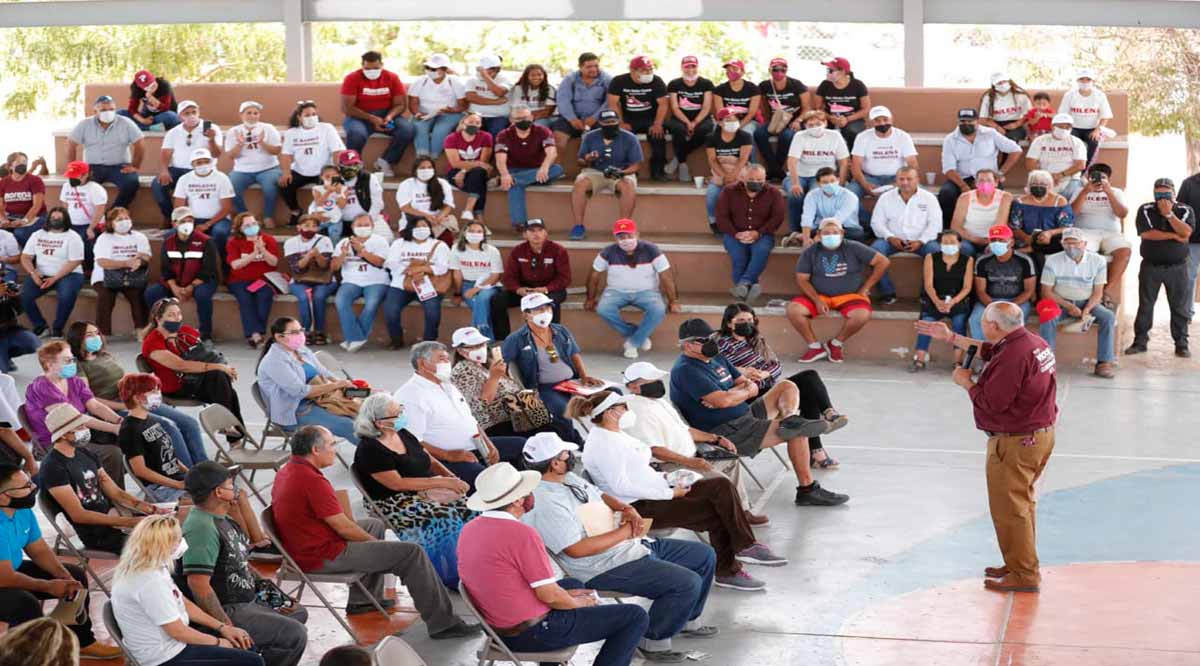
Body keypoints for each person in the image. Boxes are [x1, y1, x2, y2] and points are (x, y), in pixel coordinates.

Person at [522, 432, 720, 661]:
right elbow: (576, 549)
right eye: (566, 453)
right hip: (602, 565)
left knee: (703, 555)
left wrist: (627, 509)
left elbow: (600, 494)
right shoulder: (546, 502)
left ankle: (686, 618)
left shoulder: (565, 478)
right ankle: (654, 640)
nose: (571, 456)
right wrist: (624, 531)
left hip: (629, 544)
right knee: (686, 583)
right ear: (555, 462)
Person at [270, 425, 480, 636]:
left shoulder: (290, 469)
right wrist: (376, 544)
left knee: (375, 524)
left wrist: (372, 540)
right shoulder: (312, 481)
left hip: (305, 544)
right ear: (316, 450)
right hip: (320, 554)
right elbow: (343, 527)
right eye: (331, 444)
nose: (335, 448)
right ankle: (443, 623)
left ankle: (363, 599)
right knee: (410, 553)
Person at [573, 391, 788, 591]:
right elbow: (620, 487)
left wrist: (667, 479)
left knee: (720, 486)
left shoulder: (616, 434)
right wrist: (669, 493)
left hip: (655, 491)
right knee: (716, 513)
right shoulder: (603, 443)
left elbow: (638, 472)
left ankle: (745, 548)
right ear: (611, 413)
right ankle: (729, 568)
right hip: (638, 508)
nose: (628, 412)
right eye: (624, 408)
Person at [915, 301, 1057, 593]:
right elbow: (987, 349)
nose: (982, 326)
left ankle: (1025, 574)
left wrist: (966, 382)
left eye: (984, 323)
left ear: (993, 325)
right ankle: (1019, 562)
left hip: (1016, 441)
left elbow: (993, 403)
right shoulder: (1030, 342)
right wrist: (951, 337)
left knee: (1011, 509)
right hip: (1037, 435)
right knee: (1021, 505)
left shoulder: (1013, 356)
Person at [458, 462, 648, 666]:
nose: (532, 495)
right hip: (531, 633)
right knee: (634, 616)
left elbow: (521, 583)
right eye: (527, 491)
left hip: (497, 628)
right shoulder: (521, 534)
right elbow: (548, 595)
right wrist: (578, 603)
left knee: (572, 584)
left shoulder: (469, 529)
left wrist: (566, 595)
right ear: (517, 501)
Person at [670, 318, 848, 508]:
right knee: (800, 431)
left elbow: (746, 385)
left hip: (745, 414)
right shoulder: (686, 370)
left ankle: (789, 418)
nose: (711, 342)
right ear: (688, 345)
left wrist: (736, 393)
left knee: (787, 386)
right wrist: (737, 393)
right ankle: (807, 491)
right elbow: (724, 400)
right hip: (728, 431)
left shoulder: (716, 358)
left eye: (711, 337)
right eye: (704, 340)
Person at [182, 462, 309, 666]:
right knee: (294, 635)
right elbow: (198, 584)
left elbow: (241, 563)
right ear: (219, 492)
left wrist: (273, 596)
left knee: (297, 612)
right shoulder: (202, 529)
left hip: (247, 598)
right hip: (230, 607)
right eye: (231, 484)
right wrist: (225, 625)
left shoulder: (222, 518)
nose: (236, 489)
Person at [0, 462, 124, 660]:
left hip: (8, 570)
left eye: (30, 483)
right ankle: (31, 659)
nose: (33, 488)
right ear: (3, 496)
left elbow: (39, 549)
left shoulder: (22, 510)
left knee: (75, 574)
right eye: (25, 487)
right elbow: (5, 578)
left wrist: (62, 575)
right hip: (4, 577)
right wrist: (49, 586)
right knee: (24, 604)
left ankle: (82, 643)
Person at [350, 393, 474, 588]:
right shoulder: (370, 449)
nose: (401, 416)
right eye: (396, 414)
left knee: (470, 508)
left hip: (424, 488)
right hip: (394, 500)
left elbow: (429, 459)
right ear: (380, 423)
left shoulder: (403, 433)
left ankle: (475, 565)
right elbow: (397, 484)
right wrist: (440, 484)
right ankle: (448, 575)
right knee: (443, 516)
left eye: (400, 411)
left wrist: (451, 478)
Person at [111, 515, 265, 666]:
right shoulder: (149, 582)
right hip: (164, 656)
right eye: (177, 540)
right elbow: (177, 632)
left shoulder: (154, 566)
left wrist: (222, 627)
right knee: (252, 660)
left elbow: (181, 601)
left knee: (245, 644)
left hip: (174, 643)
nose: (182, 542)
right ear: (163, 545)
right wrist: (218, 642)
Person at [713, 306, 846, 467]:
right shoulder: (723, 343)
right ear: (729, 323)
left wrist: (764, 374)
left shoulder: (756, 340)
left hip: (769, 387)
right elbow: (718, 370)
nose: (747, 324)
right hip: (749, 395)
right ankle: (817, 447)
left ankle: (827, 419)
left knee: (808, 385)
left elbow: (776, 366)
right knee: (807, 382)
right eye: (741, 321)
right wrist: (743, 372)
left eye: (749, 320)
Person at [67, 322, 207, 467]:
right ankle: (190, 476)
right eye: (89, 335)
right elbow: (89, 399)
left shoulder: (103, 356)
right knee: (168, 427)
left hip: (134, 400)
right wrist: (122, 405)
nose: (96, 338)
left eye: (96, 333)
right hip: (113, 409)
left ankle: (204, 468)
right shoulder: (78, 366)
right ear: (78, 339)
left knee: (189, 423)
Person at [393, 341, 526, 490]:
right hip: (445, 459)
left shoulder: (447, 384)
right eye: (442, 359)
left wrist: (488, 444)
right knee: (490, 483)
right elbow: (411, 441)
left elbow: (470, 420)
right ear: (423, 364)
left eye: (447, 359)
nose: (447, 363)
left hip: (475, 446)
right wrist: (449, 455)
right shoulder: (410, 395)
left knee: (525, 447)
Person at [39, 403, 157, 553]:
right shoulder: (53, 467)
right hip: (97, 534)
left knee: (172, 530)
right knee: (160, 543)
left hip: (114, 521)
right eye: (80, 427)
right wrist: (130, 522)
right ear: (63, 434)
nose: (86, 430)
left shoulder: (85, 454)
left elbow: (116, 492)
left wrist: (150, 508)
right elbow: (79, 515)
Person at [449, 326, 582, 444]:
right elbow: (483, 403)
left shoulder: (487, 363)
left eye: (481, 345)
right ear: (461, 351)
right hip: (496, 423)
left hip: (518, 414)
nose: (479, 349)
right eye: (473, 347)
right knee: (554, 424)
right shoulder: (462, 371)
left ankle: (572, 446)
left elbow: (512, 386)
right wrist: (494, 377)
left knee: (556, 424)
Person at [788, 219, 889, 362]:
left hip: (849, 295)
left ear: (842, 233)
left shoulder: (854, 247)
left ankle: (835, 344)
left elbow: (883, 262)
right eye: (827, 233)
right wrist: (816, 300)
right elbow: (802, 279)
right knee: (794, 310)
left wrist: (866, 288)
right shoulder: (810, 251)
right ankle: (815, 347)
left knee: (862, 315)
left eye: (835, 232)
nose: (831, 235)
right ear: (819, 234)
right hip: (819, 295)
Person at [24, 342, 123, 478]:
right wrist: (113, 428)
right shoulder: (41, 387)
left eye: (72, 359)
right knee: (112, 453)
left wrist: (119, 421)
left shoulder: (74, 381)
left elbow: (95, 405)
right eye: (67, 360)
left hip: (79, 432)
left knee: (129, 439)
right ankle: (111, 496)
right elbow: (73, 419)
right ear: (49, 364)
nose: (72, 363)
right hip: (58, 440)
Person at [142, 297, 246, 426]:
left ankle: (230, 429)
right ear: (158, 319)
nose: (177, 318)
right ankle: (233, 434)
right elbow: (181, 366)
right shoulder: (153, 343)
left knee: (223, 384)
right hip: (178, 387)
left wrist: (224, 367)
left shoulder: (185, 332)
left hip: (197, 380)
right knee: (222, 385)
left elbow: (207, 355)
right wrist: (219, 367)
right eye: (171, 315)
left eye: (179, 314)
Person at [585, 218, 679, 359]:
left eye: (629, 235)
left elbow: (666, 276)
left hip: (647, 292)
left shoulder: (652, 250)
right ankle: (637, 336)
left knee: (658, 309)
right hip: (616, 292)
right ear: (615, 237)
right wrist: (590, 298)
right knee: (603, 309)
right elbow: (594, 275)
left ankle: (633, 343)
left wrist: (673, 301)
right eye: (621, 237)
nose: (626, 240)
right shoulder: (607, 252)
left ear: (637, 234)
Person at [501, 292, 605, 419]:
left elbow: (574, 354)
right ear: (526, 314)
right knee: (562, 411)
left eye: (548, 307)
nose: (545, 312)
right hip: (547, 388)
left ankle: (607, 433)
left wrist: (584, 376)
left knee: (612, 395)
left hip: (572, 382)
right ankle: (573, 438)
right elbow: (502, 364)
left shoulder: (561, 330)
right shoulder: (516, 339)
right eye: (539, 309)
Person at [256, 317, 357, 442]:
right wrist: (336, 385)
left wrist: (342, 383)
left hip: (318, 399)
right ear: (279, 337)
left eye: (301, 330)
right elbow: (301, 391)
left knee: (364, 415)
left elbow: (322, 370)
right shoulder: (274, 361)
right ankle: (376, 458)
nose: (300, 335)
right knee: (349, 425)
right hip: (294, 410)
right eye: (294, 332)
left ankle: (381, 454)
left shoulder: (301, 350)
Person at [1126, 178, 1196, 358]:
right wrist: (1174, 235)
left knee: (1179, 308)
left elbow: (1187, 232)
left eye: (1166, 194)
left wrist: (1169, 215)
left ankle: (1181, 344)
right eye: (1159, 194)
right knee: (1146, 305)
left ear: (1174, 193)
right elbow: (1147, 234)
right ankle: (1140, 342)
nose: (1162, 198)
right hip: (1151, 266)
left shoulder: (1185, 210)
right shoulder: (1146, 209)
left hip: (1178, 267)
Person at [1037, 228, 1117, 377]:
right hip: (1060, 302)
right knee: (1047, 318)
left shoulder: (1097, 261)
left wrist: (1087, 309)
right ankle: (1047, 364)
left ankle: (1104, 362)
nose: (1071, 247)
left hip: (1088, 302)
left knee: (1108, 317)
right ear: (1062, 244)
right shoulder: (1053, 260)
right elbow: (1046, 292)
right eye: (1067, 243)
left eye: (1075, 243)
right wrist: (1069, 306)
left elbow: (1098, 292)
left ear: (1084, 244)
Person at [145, 207, 221, 341]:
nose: (187, 224)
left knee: (203, 295)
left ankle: (205, 333)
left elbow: (208, 270)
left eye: (190, 220)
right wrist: (174, 287)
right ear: (174, 224)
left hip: (201, 281)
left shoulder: (205, 241)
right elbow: (166, 269)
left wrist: (191, 287)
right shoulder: (168, 242)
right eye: (183, 221)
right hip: (177, 281)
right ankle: (161, 329)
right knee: (152, 293)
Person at [938, 108, 1022, 228]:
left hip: (987, 179)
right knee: (946, 193)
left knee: (1002, 198)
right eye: (963, 121)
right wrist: (963, 186)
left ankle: (1000, 230)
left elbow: (1015, 150)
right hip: (962, 179)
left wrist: (1001, 172)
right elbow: (948, 168)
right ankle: (949, 229)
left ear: (977, 121)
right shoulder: (950, 139)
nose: (966, 124)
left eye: (970, 121)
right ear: (958, 122)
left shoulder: (990, 133)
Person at [870, 165, 942, 303]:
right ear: (896, 180)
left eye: (909, 179)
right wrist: (890, 237)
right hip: (891, 240)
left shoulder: (929, 198)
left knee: (936, 252)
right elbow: (876, 222)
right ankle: (887, 292)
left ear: (917, 180)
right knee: (875, 252)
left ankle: (926, 294)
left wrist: (921, 241)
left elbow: (935, 224)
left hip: (921, 241)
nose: (905, 182)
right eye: (901, 179)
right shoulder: (886, 197)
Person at [715, 164, 785, 303]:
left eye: (760, 179)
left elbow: (777, 217)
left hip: (762, 234)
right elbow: (721, 216)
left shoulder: (774, 193)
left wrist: (758, 233)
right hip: (734, 234)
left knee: (761, 250)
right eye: (752, 179)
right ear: (742, 178)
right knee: (738, 257)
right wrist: (736, 234)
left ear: (765, 178)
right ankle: (748, 290)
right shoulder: (729, 191)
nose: (756, 182)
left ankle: (743, 285)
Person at [490, 218, 571, 339]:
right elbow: (509, 277)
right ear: (525, 234)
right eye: (531, 231)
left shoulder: (558, 250)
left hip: (550, 289)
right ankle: (503, 340)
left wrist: (545, 289)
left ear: (545, 233)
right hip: (525, 290)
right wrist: (519, 290)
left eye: (540, 230)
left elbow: (564, 278)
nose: (536, 234)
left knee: (550, 302)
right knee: (498, 300)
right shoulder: (518, 251)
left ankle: (552, 340)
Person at [571, 109, 643, 240]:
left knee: (628, 185)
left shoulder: (629, 138)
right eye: (607, 122)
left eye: (613, 122)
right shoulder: (590, 136)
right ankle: (578, 226)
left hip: (620, 171)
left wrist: (622, 172)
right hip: (595, 171)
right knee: (579, 183)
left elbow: (636, 165)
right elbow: (580, 161)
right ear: (600, 123)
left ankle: (623, 228)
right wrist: (587, 159)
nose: (610, 124)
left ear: (618, 122)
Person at [117, 372, 190, 501]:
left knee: (228, 490)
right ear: (137, 397)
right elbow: (140, 470)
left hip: (176, 479)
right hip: (161, 487)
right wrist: (178, 485)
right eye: (152, 391)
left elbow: (169, 455)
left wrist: (189, 473)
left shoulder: (149, 419)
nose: (157, 395)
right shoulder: (130, 429)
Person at [340, 50, 414, 176]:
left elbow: (401, 104)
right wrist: (371, 118)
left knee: (407, 130)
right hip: (359, 116)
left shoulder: (392, 77)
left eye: (375, 68)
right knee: (356, 134)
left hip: (386, 114)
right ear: (362, 66)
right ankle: (354, 166)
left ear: (381, 65)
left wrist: (389, 117)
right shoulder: (352, 78)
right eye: (367, 68)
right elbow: (347, 108)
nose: (371, 71)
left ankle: (385, 161)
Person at [66, 95, 145, 209]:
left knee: (131, 182)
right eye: (103, 110)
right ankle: (92, 215)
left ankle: (115, 212)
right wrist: (73, 169)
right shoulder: (85, 124)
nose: (108, 112)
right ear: (95, 111)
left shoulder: (126, 123)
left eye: (111, 109)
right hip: (92, 167)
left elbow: (140, 143)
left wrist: (135, 166)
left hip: (119, 167)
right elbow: (70, 143)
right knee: (82, 184)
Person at [911, 230, 974, 372]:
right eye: (945, 242)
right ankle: (919, 358)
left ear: (960, 244)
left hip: (957, 300)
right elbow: (928, 284)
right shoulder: (931, 258)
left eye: (952, 242)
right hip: (934, 298)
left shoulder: (968, 260)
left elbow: (967, 287)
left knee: (959, 322)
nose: (949, 245)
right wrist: (937, 301)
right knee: (927, 321)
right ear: (940, 244)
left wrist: (952, 302)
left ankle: (958, 362)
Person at [495, 103, 565, 228]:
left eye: (526, 118)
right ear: (511, 120)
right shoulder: (504, 135)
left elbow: (552, 153)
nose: (523, 121)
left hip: (539, 172)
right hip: (515, 169)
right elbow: (500, 158)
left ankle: (515, 180)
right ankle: (520, 224)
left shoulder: (542, 131)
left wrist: (544, 168)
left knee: (557, 169)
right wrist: (505, 174)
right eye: (518, 119)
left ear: (532, 117)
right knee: (515, 186)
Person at [847, 106, 919, 227]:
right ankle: (869, 224)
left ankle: (905, 226)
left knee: (921, 194)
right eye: (877, 120)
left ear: (891, 119)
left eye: (885, 119)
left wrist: (899, 183)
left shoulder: (902, 136)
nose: (882, 123)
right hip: (869, 177)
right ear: (871, 122)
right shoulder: (863, 137)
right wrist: (865, 185)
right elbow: (855, 165)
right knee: (848, 195)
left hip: (897, 177)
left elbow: (912, 163)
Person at [1070, 163, 1132, 303]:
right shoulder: (1080, 190)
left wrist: (1108, 192)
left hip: (1110, 233)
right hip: (1086, 232)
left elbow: (1122, 214)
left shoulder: (1116, 192)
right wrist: (1085, 192)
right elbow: (1071, 214)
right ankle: (1085, 291)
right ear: (1088, 178)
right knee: (1082, 252)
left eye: (1102, 178)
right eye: (1094, 177)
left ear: (1109, 180)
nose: (1098, 180)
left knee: (1124, 252)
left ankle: (1104, 291)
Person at [384, 217, 449, 347]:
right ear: (410, 228)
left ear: (430, 228)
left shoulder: (439, 245)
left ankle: (429, 343)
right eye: (417, 226)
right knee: (390, 310)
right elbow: (391, 263)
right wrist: (410, 271)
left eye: (424, 226)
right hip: (401, 284)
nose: (421, 229)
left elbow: (443, 267)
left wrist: (420, 269)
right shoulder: (399, 243)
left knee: (432, 311)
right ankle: (396, 339)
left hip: (429, 284)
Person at [155, 101, 224, 225]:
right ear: (180, 116)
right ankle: (170, 217)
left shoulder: (212, 129)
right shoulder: (173, 132)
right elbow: (166, 152)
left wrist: (211, 140)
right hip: (178, 169)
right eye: (186, 113)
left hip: (203, 169)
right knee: (158, 185)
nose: (191, 116)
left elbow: (216, 154)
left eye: (194, 112)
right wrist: (164, 170)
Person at [19, 208, 84, 337]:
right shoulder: (38, 234)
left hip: (69, 274)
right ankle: (40, 326)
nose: (55, 221)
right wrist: (33, 273)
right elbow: (25, 257)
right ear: (48, 219)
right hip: (42, 273)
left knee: (66, 296)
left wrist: (54, 278)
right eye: (53, 218)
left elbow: (75, 261)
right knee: (23, 296)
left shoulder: (73, 236)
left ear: (66, 220)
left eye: (59, 218)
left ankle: (57, 328)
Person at [280, 101, 346, 227]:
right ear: (299, 117)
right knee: (284, 185)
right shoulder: (291, 133)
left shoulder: (326, 128)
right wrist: (286, 172)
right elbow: (285, 155)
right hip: (301, 170)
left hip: (323, 171)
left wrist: (337, 170)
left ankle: (329, 218)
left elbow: (337, 150)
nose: (311, 117)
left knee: (330, 189)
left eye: (314, 114)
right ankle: (295, 211)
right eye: (307, 115)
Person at [332, 214, 390, 352]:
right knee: (340, 301)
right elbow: (334, 267)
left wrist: (362, 251)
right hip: (351, 281)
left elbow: (380, 262)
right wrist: (342, 255)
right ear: (352, 227)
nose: (363, 228)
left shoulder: (380, 241)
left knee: (371, 304)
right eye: (359, 225)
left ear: (372, 226)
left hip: (377, 281)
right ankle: (357, 337)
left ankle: (353, 338)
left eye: (366, 225)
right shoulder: (344, 242)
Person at [607, 55, 669, 182]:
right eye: (644, 70)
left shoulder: (657, 81)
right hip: (627, 119)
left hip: (651, 119)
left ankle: (657, 171)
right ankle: (627, 171)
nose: (648, 73)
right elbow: (613, 103)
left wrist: (657, 124)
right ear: (632, 70)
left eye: (650, 69)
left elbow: (663, 104)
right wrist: (621, 123)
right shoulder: (619, 81)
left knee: (658, 137)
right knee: (622, 138)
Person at [90, 206, 151, 334]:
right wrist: (125, 263)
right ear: (111, 222)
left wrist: (139, 260)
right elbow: (102, 262)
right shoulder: (104, 238)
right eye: (119, 219)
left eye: (126, 218)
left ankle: (141, 330)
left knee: (138, 294)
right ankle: (103, 334)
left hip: (132, 276)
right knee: (105, 296)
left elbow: (146, 256)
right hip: (105, 277)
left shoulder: (139, 237)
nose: (124, 221)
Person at [968, 224, 1036, 339]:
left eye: (1001, 240)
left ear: (1011, 242)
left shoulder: (1025, 261)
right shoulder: (982, 261)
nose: (997, 243)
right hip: (989, 301)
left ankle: (1010, 353)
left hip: (1017, 301)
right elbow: (980, 291)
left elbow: (1029, 290)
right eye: (993, 240)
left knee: (1014, 323)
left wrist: (1009, 306)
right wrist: (994, 307)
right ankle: (985, 352)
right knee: (975, 319)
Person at [225, 101, 284, 226]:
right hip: (242, 170)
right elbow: (230, 156)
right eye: (249, 113)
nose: (253, 116)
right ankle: (247, 218)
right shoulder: (233, 131)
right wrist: (239, 144)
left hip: (269, 168)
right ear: (241, 115)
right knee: (231, 187)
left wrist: (262, 142)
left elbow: (277, 151)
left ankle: (268, 216)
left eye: (256, 113)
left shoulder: (268, 128)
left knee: (270, 186)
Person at [226, 213, 279, 347]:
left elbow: (274, 262)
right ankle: (255, 334)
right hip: (239, 280)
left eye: (254, 224)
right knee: (245, 298)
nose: (252, 227)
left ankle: (257, 333)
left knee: (265, 295)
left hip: (264, 280)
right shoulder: (234, 243)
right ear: (240, 228)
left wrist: (262, 250)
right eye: (247, 225)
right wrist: (254, 254)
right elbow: (235, 265)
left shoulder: (268, 239)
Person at [172, 148, 235, 261]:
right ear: (192, 164)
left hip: (219, 220)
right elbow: (179, 207)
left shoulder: (222, 178)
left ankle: (220, 265)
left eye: (206, 161)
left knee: (219, 233)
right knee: (171, 235)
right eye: (199, 162)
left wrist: (207, 224)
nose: (203, 165)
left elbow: (227, 208)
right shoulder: (184, 179)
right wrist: (188, 222)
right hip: (193, 219)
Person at [754, 57, 810, 182]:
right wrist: (767, 121)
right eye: (775, 69)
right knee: (759, 133)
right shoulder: (765, 85)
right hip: (776, 120)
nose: (779, 72)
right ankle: (777, 170)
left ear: (786, 70)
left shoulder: (796, 84)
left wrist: (798, 121)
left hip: (794, 120)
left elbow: (807, 107)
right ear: (770, 70)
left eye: (782, 69)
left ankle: (774, 170)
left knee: (787, 137)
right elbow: (763, 105)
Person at [1011, 170, 1074, 277]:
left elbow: (1066, 227)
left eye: (1043, 184)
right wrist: (1027, 238)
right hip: (1027, 238)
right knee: (1038, 255)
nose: (1038, 186)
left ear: (1050, 186)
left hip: (1052, 239)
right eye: (1034, 184)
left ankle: (1033, 249)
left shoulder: (1060, 201)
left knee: (1064, 240)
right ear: (1029, 186)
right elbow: (1015, 227)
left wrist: (1049, 233)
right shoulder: (1020, 202)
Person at [283, 215, 335, 343]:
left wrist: (317, 256)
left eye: (314, 226)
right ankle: (305, 331)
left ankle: (319, 331)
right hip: (300, 280)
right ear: (298, 227)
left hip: (324, 280)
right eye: (306, 226)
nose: (310, 229)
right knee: (304, 298)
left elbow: (325, 266)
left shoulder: (325, 240)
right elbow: (297, 268)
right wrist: (307, 257)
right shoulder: (291, 243)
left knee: (319, 297)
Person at [553, 52, 614, 159]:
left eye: (596, 66)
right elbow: (563, 100)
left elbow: (609, 102)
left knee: (604, 141)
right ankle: (556, 170)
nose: (594, 69)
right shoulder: (570, 79)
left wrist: (594, 118)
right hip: (571, 118)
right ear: (580, 67)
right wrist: (572, 119)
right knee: (558, 141)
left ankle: (595, 170)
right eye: (589, 67)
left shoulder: (607, 79)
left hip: (597, 118)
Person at [786, 111, 850, 210]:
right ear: (805, 126)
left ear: (825, 123)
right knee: (794, 195)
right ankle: (795, 225)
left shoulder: (835, 136)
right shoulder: (799, 136)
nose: (815, 127)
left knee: (816, 195)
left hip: (824, 176)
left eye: (818, 124)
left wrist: (841, 184)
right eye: (810, 125)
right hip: (800, 174)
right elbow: (792, 162)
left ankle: (814, 225)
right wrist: (795, 183)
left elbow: (844, 162)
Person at [704, 108, 754, 233]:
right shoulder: (711, 138)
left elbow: (743, 159)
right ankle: (714, 222)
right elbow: (713, 160)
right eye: (728, 119)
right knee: (712, 194)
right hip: (720, 172)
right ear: (720, 122)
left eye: (735, 119)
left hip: (739, 171)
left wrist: (733, 175)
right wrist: (724, 176)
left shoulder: (745, 136)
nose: (733, 121)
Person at [407, 53, 467, 159]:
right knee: (419, 127)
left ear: (444, 69)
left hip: (450, 113)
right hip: (424, 113)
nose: (429, 71)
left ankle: (434, 157)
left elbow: (463, 105)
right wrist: (417, 113)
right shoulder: (420, 81)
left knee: (441, 129)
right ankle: (422, 157)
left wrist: (451, 110)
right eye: (427, 68)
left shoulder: (454, 82)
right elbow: (412, 102)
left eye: (433, 69)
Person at [664, 56, 715, 177]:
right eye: (687, 66)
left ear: (697, 67)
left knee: (705, 130)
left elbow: (706, 107)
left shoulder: (706, 83)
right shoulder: (674, 83)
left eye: (693, 66)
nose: (690, 69)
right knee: (679, 130)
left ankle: (678, 158)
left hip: (702, 117)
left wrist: (695, 122)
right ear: (682, 67)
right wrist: (688, 122)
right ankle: (683, 164)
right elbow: (675, 107)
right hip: (680, 117)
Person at [450, 221, 503, 337]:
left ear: (484, 235)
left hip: (488, 284)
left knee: (482, 299)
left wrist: (476, 289)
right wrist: (458, 293)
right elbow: (457, 274)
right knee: (478, 303)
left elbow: (495, 275)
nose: (475, 234)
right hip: (467, 284)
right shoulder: (456, 248)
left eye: (479, 231)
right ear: (464, 233)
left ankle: (477, 336)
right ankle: (488, 341)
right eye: (471, 231)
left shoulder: (492, 250)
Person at [787, 166, 861, 246]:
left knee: (856, 235)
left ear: (838, 180)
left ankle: (800, 237)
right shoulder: (812, 195)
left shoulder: (850, 196)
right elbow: (807, 217)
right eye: (825, 182)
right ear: (818, 183)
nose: (829, 184)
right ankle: (808, 239)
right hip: (820, 227)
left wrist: (820, 236)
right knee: (810, 232)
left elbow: (838, 219)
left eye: (832, 181)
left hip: (846, 228)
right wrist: (806, 239)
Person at [328, 150, 391, 242]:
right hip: (341, 221)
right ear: (339, 165)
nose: (352, 168)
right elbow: (329, 203)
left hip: (368, 218)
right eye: (348, 165)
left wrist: (369, 219)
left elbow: (377, 203)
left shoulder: (369, 177)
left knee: (386, 240)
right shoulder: (333, 179)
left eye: (355, 164)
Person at [950, 168, 1013, 257]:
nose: (985, 183)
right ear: (976, 183)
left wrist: (991, 242)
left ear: (996, 183)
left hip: (995, 238)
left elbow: (1001, 224)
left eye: (989, 180)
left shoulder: (1005, 197)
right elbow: (955, 227)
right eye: (981, 181)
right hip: (968, 239)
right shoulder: (965, 197)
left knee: (998, 249)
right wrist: (977, 240)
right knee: (963, 249)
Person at [443, 112, 493, 223]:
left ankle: (469, 210)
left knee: (478, 174)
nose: (474, 125)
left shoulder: (486, 137)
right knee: (480, 183)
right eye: (471, 122)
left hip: (475, 171)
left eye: (477, 123)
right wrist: (463, 169)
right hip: (455, 172)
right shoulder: (451, 138)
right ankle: (480, 221)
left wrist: (464, 170)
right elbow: (455, 163)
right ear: (463, 123)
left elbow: (483, 161)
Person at [1025, 114, 1087, 202]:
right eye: (1061, 126)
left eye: (1067, 127)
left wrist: (1059, 175)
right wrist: (1047, 177)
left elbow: (1080, 165)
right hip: (1043, 180)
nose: (1064, 129)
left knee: (1071, 197)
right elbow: (1029, 163)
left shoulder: (1077, 142)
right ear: (1052, 126)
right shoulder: (1040, 140)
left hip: (1069, 179)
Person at [395, 155, 457, 243]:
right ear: (415, 170)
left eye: (429, 167)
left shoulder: (442, 183)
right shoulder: (407, 184)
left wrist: (439, 218)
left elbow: (448, 205)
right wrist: (426, 216)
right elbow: (405, 207)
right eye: (422, 168)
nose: (426, 170)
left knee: (446, 241)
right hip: (413, 222)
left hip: (437, 222)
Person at [56, 161, 103, 274]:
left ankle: (90, 269)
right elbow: (65, 204)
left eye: (75, 175)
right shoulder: (66, 186)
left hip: (89, 223)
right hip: (72, 223)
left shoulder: (95, 188)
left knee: (86, 243)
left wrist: (91, 228)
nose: (72, 178)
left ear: (86, 174)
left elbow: (100, 209)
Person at [814, 57, 871, 150]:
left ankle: (852, 158)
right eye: (827, 70)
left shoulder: (857, 85)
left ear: (843, 71)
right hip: (829, 118)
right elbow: (818, 107)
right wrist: (830, 117)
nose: (828, 72)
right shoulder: (824, 85)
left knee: (853, 131)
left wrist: (847, 119)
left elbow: (866, 109)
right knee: (817, 130)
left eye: (831, 70)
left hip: (853, 118)